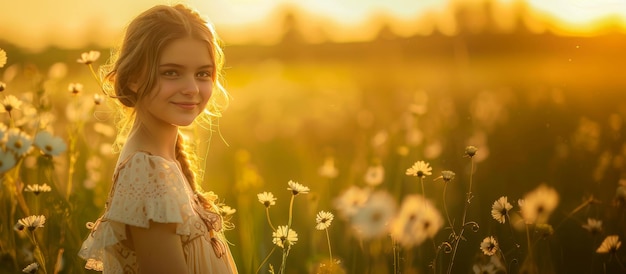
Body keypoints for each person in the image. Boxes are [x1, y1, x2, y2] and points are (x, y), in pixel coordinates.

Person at [78, 4, 238, 273]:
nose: (191, 89)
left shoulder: (164, 161)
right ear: (133, 78)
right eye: (171, 72)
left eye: (202, 74)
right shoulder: (147, 171)